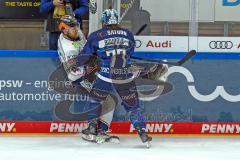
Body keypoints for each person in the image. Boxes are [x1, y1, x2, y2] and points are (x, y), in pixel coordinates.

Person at [79, 8, 152, 147]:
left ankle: (92, 127)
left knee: (95, 100)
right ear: (116, 20)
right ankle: (142, 132)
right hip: (124, 75)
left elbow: (85, 56)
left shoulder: (96, 35)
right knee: (132, 107)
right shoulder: (128, 34)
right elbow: (129, 53)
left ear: (104, 21)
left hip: (105, 74)